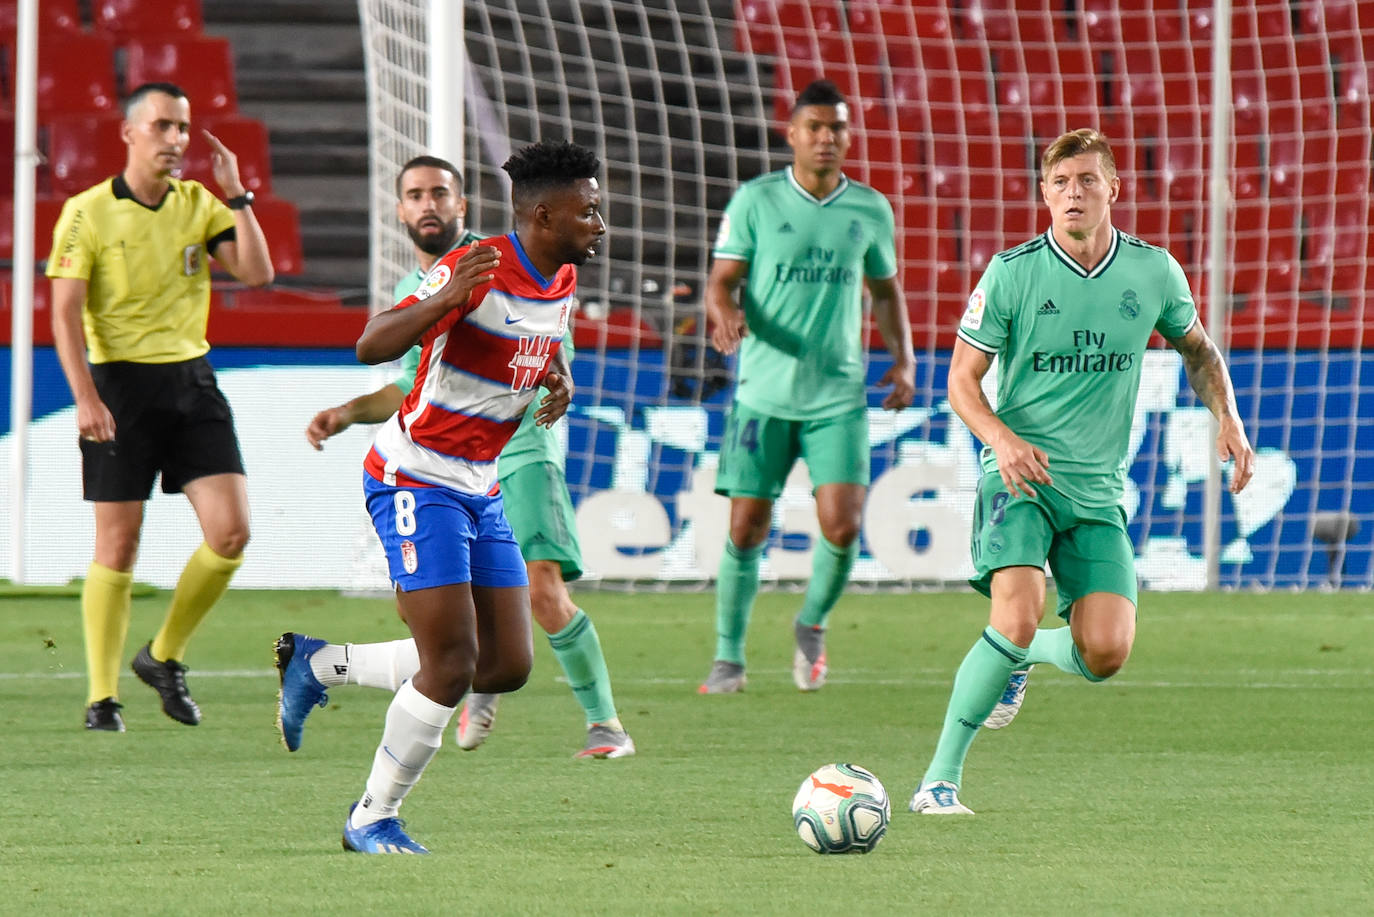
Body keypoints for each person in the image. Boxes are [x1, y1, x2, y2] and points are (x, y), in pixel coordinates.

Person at [908, 128, 1256, 815]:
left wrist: (1229, 416)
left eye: (1088, 180)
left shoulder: (1153, 272)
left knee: (1105, 652)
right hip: (1019, 478)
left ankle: (1021, 657)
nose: (1074, 193)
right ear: (1044, 193)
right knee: (1015, 612)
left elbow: (1199, 350)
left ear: (1113, 189)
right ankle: (937, 782)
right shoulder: (1011, 274)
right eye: (1061, 182)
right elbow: (960, 381)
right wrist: (1001, 440)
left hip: (1097, 490)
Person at [280, 155, 633, 760]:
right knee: (450, 643)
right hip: (428, 469)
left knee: (519, 628)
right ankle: (382, 778)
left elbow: (538, 338)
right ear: (399, 209)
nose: (430, 205)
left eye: (439, 193)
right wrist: (349, 411)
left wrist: (559, 375)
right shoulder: (444, 280)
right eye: (416, 194)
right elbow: (393, 364)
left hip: (507, 459)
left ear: (461, 204)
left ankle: (323, 665)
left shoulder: (551, 269)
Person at [46, 81, 275, 733]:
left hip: (192, 382)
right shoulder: (87, 212)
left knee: (231, 533)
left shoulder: (199, 203)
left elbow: (257, 273)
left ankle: (163, 655)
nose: (175, 138)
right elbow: (63, 313)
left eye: (183, 127)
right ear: (129, 133)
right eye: (162, 125)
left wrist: (238, 194)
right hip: (119, 387)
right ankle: (102, 698)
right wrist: (85, 396)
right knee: (118, 545)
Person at [699, 79, 915, 695]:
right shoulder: (756, 201)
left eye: (836, 127)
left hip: (837, 395)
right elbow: (720, 281)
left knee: (843, 526)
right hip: (762, 393)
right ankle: (728, 659)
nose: (826, 138)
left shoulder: (870, 209)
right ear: (791, 133)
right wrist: (723, 313)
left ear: (849, 136)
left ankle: (811, 624)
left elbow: (885, 292)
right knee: (746, 527)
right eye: (814, 127)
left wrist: (903, 361)